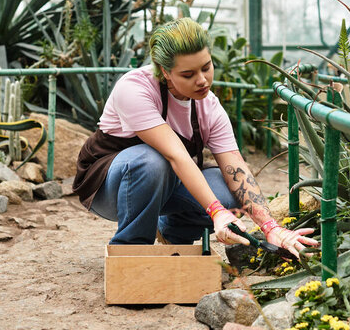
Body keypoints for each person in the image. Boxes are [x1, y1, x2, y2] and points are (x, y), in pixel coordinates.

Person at [72, 18, 318, 258]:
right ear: (165, 72)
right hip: (108, 187)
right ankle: (131, 250)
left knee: (229, 191)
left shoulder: (209, 106)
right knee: (150, 161)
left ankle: (173, 234)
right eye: (188, 74)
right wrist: (216, 212)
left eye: (206, 67)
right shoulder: (135, 88)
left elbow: (236, 166)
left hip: (166, 184)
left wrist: (271, 228)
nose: (202, 80)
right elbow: (175, 155)